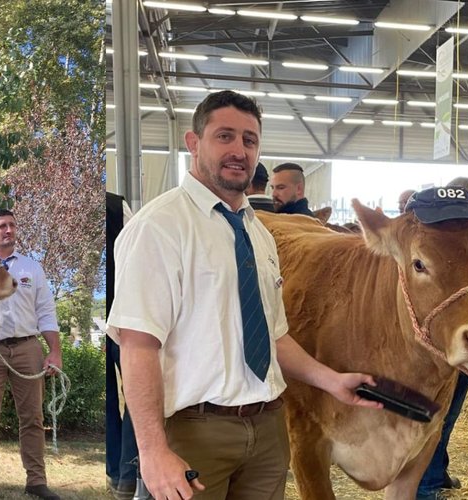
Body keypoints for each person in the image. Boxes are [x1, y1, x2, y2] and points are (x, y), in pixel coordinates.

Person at [107, 90, 379, 500]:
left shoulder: (257, 232)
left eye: (249, 140)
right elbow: (138, 346)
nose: (239, 150)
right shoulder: (158, 227)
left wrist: (332, 381)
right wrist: (152, 451)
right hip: (195, 431)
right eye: (225, 136)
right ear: (193, 142)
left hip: (268, 429)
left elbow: (273, 337)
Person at [0, 208, 62, 500]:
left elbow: (46, 311)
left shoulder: (31, 268)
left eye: (12, 225)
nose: (9, 230)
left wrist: (54, 351)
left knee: (32, 418)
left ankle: (36, 481)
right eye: (2, 226)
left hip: (27, 348)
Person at [417, 175, 468, 499]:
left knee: (448, 415)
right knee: (432, 416)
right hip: (437, 347)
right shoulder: (438, 243)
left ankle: (437, 473)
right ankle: (427, 484)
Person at [105, 192, 139, 499]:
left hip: (118, 318)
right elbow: (135, 259)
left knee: (130, 395)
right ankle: (125, 475)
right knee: (135, 394)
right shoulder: (116, 206)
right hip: (121, 315)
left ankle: (121, 474)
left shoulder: (116, 206)